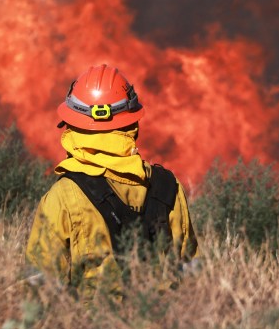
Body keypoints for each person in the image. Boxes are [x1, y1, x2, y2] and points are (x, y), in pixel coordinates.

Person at [25, 64, 197, 298]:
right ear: (132, 124)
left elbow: (39, 288)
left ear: (72, 125)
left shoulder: (63, 196)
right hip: (163, 327)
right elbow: (191, 273)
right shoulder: (168, 187)